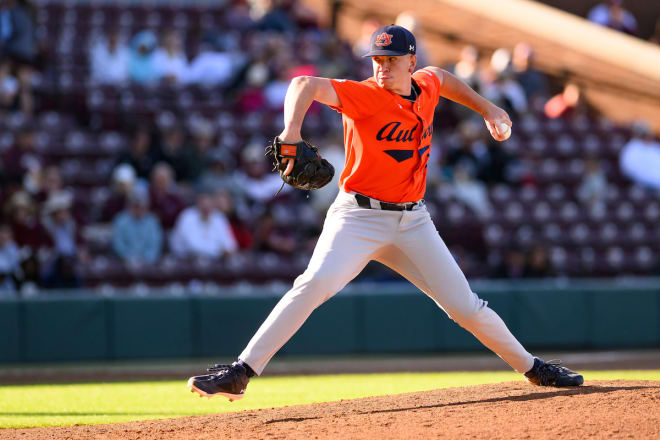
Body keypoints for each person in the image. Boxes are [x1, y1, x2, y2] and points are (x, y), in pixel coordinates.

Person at [187, 24, 583, 401]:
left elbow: (441, 77)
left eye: (391, 59)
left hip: (413, 221)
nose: (382, 66)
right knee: (312, 285)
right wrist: (291, 132)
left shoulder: (424, 85)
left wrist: (486, 108)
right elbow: (302, 84)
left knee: (466, 307)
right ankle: (241, 372)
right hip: (358, 217)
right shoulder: (366, 95)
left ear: (410, 62)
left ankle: (533, 368)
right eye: (377, 58)